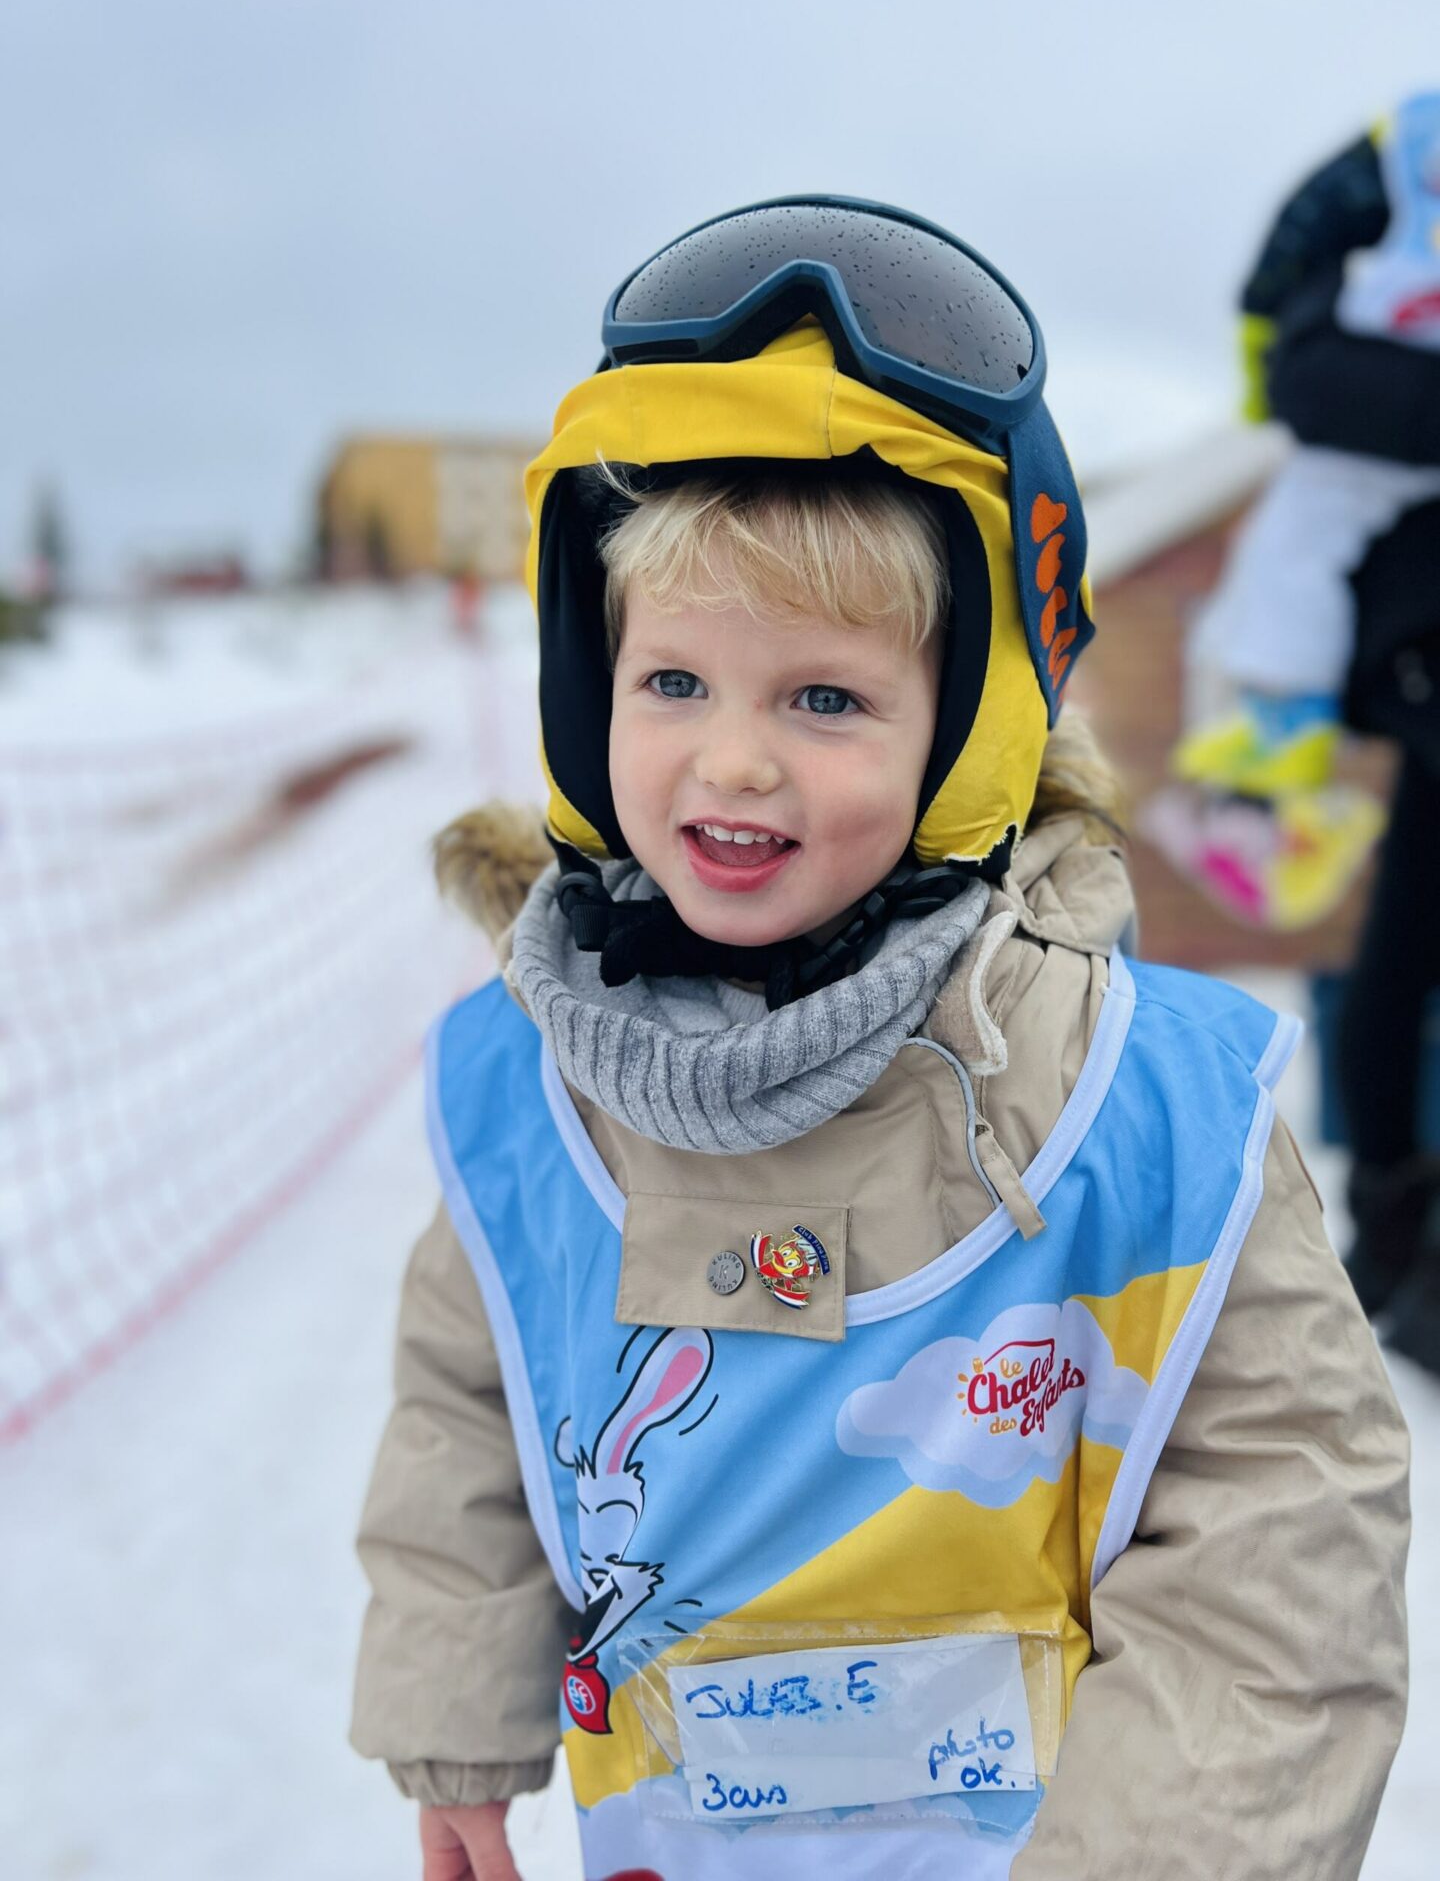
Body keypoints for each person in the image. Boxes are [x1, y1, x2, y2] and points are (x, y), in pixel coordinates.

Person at [350, 199, 1408, 1880]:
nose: (734, 762)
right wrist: (452, 1716)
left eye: (825, 699)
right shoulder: (524, 1097)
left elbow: (1283, 1540)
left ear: (970, 731)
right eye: (673, 684)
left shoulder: (1133, 1107)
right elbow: (470, 1407)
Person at [1148, 90, 1440, 931]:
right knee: (1279, 561)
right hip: (1378, 393)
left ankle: (1279, 751)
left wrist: (1263, 342)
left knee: (1293, 549)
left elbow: (1296, 237)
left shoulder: (1403, 142)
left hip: (1370, 382)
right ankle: (1260, 775)